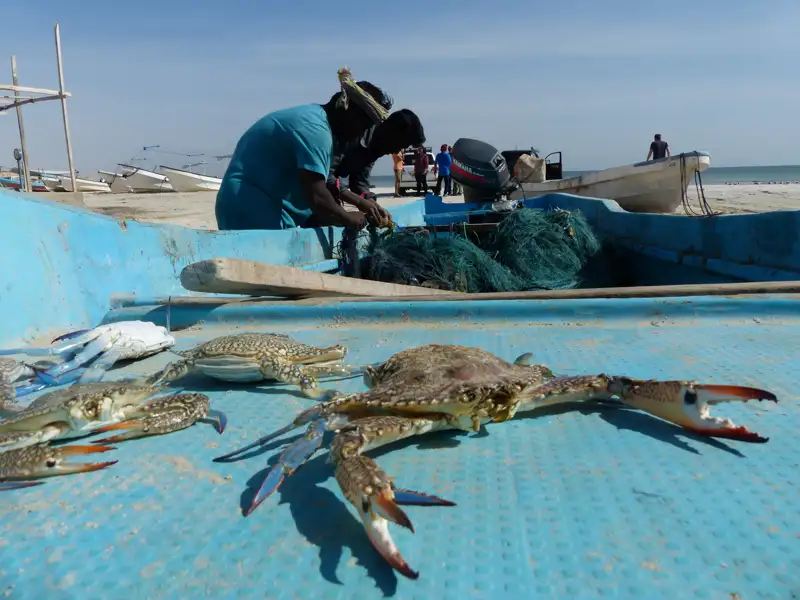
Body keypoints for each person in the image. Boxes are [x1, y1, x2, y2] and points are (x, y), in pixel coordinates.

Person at [215, 69, 423, 231]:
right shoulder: (317, 132)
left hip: (276, 205)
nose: (363, 132)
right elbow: (317, 194)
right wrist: (347, 217)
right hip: (251, 204)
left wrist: (361, 204)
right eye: (364, 125)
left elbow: (322, 187)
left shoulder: (319, 123)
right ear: (349, 113)